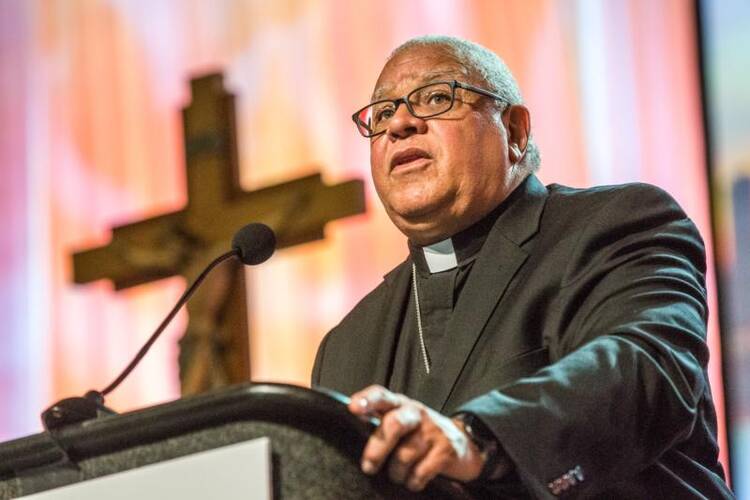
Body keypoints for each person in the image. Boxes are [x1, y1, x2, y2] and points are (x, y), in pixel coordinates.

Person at [311, 35, 732, 498]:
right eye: (383, 113)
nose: (401, 124)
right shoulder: (347, 345)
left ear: (513, 130)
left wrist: (479, 438)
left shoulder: (614, 225)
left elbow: (644, 368)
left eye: (435, 97)